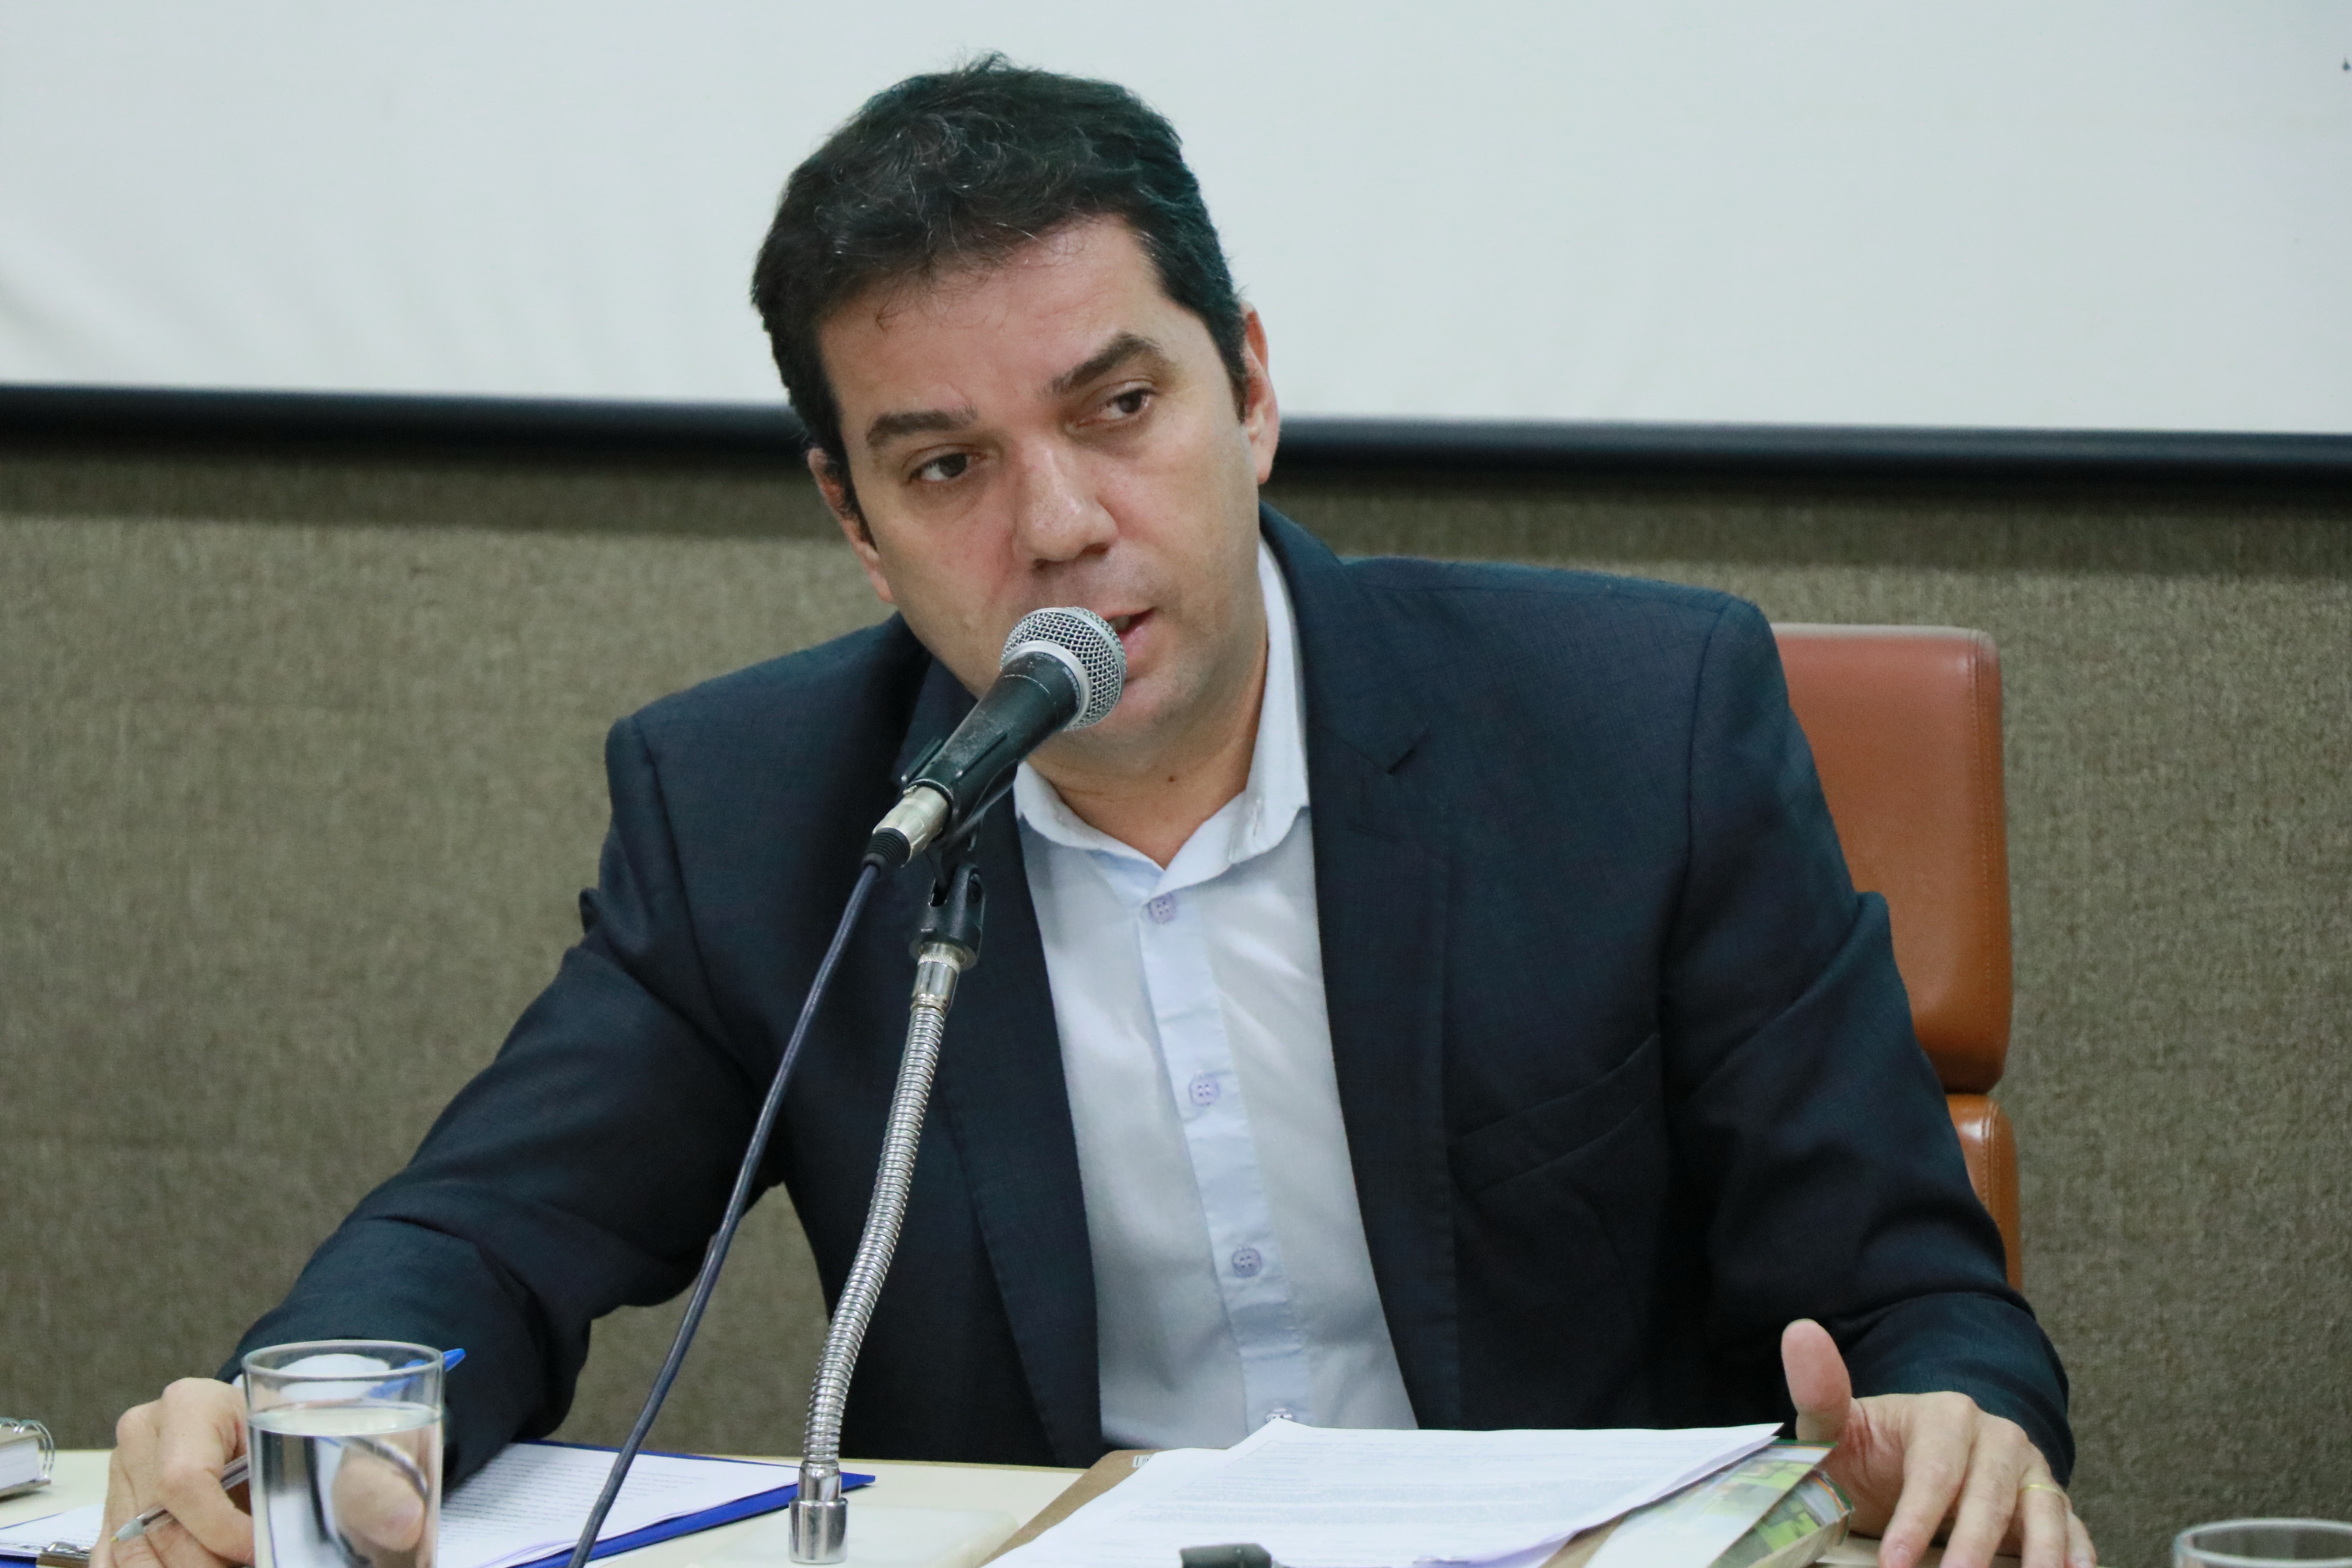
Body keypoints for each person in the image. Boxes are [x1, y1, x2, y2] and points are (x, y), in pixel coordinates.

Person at [96, 58, 2094, 1568]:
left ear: (1250, 389)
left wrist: (1949, 1422)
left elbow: (1918, 1301)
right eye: (946, 464)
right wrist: (321, 1414)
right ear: (853, 518)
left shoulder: (1631, 729)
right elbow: (480, 1232)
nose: (1056, 524)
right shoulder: (767, 814)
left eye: (1117, 408)